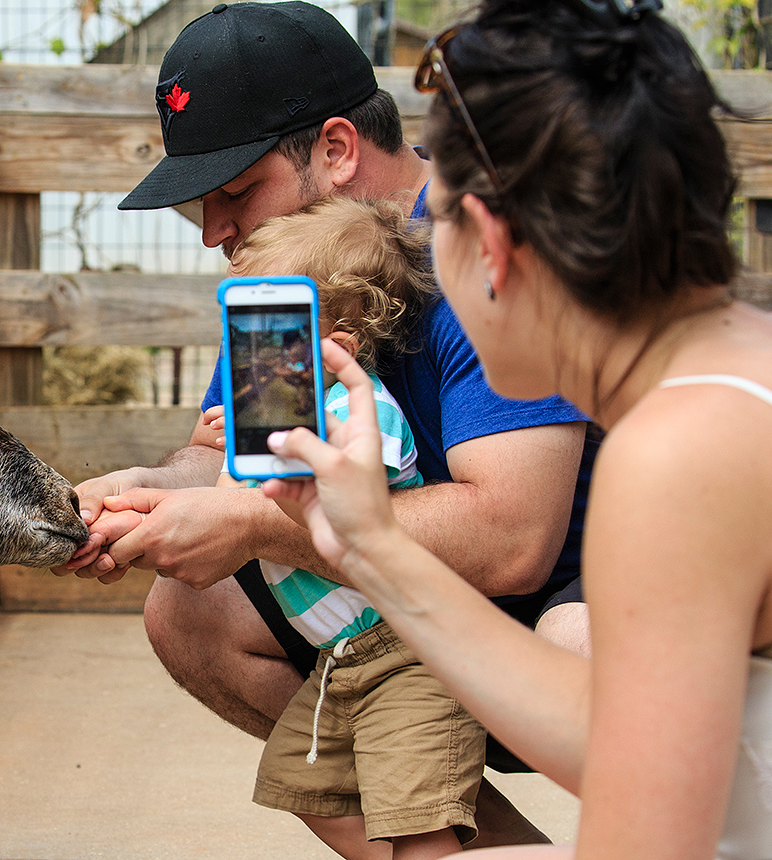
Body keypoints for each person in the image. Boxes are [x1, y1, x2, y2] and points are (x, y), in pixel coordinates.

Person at [53, 1, 596, 850]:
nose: (215, 234)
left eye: (236, 193)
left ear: (338, 149)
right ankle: (491, 848)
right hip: (398, 623)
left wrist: (249, 521)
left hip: (547, 602)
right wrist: (145, 494)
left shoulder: (492, 249)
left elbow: (515, 537)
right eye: (201, 206)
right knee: (186, 614)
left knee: (586, 642)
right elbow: (239, 456)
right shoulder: (292, 273)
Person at [260, 1, 772, 857]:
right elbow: (626, 747)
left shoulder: (676, 458)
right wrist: (373, 547)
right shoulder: (731, 371)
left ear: (490, 245)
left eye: (431, 223)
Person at [236, 198, 488, 859]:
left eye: (278, 329)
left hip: (409, 655)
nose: (255, 350)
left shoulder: (361, 409)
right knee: (301, 783)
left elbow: (363, 484)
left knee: (418, 824)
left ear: (339, 345)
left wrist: (290, 459)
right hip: (340, 662)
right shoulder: (274, 412)